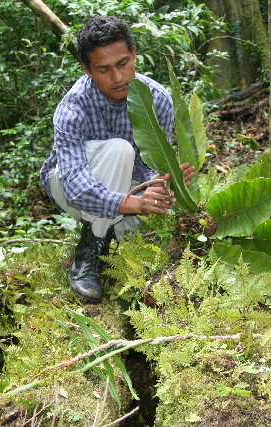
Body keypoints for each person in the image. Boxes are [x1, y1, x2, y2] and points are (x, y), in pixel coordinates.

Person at [39, 15, 195, 302]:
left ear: (134, 55)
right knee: (119, 149)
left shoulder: (156, 99)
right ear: (87, 70)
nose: (118, 78)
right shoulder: (73, 107)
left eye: (123, 64)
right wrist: (131, 202)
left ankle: (110, 238)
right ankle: (88, 255)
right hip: (66, 189)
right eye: (104, 69)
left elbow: (149, 166)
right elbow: (74, 182)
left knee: (146, 234)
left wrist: (161, 181)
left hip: (121, 190)